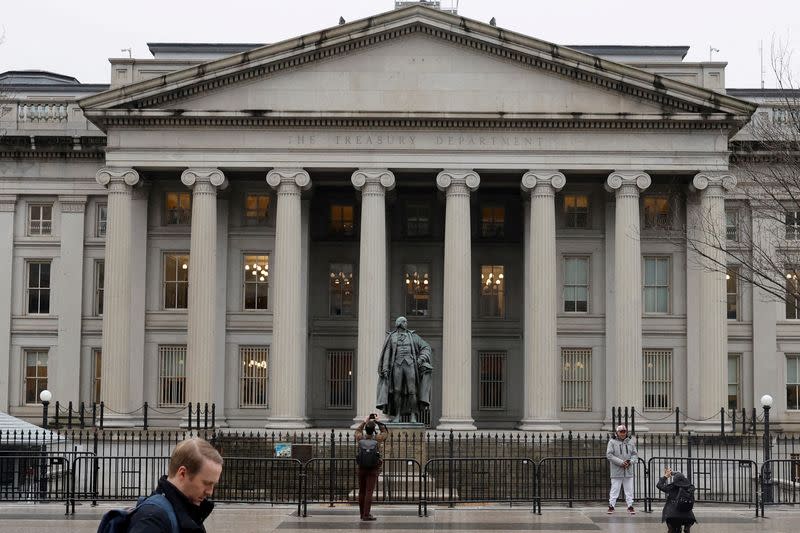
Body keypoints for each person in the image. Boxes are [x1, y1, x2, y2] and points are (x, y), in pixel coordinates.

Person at [128, 437, 224, 533]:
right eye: (206, 483)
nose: (210, 492)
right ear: (182, 473)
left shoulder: (188, 512)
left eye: (213, 484)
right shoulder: (153, 518)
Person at [376, 316, 433, 423]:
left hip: (411, 365)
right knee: (397, 391)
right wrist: (385, 368)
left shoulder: (413, 336)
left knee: (412, 391)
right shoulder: (391, 337)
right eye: (405, 322)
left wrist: (420, 359)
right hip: (397, 365)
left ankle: (413, 416)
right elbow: (387, 353)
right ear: (399, 323)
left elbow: (426, 347)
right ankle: (397, 416)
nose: (406, 323)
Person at [354, 413, 389, 521]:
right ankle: (366, 514)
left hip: (361, 468)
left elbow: (357, 431)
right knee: (369, 491)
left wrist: (365, 421)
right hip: (373, 468)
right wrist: (378, 421)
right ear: (373, 429)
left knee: (362, 491)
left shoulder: (360, 438)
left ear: (366, 429)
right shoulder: (377, 439)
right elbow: (385, 433)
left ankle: (362, 514)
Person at [606, 424, 638, 515]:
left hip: (628, 470)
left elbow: (635, 454)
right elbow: (609, 455)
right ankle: (611, 505)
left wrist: (630, 461)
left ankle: (630, 506)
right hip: (617, 470)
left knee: (629, 490)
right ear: (617, 433)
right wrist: (621, 462)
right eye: (621, 432)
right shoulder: (612, 442)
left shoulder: (630, 442)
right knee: (615, 489)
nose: (623, 433)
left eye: (624, 432)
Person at [657, 467, 697, 533]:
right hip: (688, 516)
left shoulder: (671, 487)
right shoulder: (691, 487)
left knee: (671, 525)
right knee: (688, 520)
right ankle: (687, 528)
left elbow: (659, 485)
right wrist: (680, 475)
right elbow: (685, 482)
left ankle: (671, 529)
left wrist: (666, 476)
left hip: (672, 516)